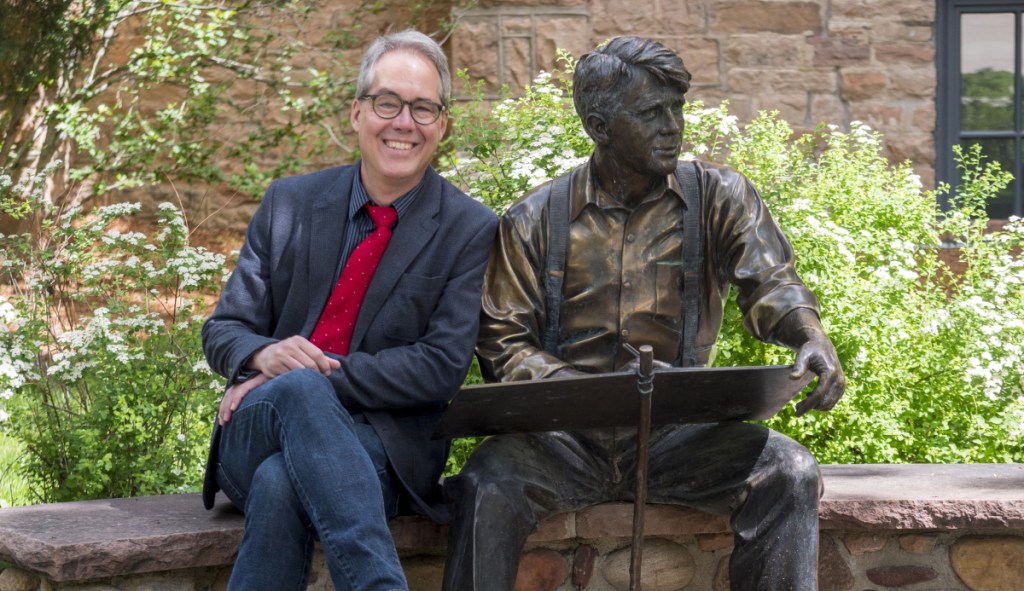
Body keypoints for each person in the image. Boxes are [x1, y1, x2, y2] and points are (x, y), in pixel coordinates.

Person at [442, 36, 846, 591]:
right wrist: (587, 395)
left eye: (676, 107)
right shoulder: (532, 220)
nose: (672, 125)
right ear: (599, 125)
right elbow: (502, 343)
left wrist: (811, 334)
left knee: (789, 471)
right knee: (486, 483)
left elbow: (771, 280)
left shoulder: (720, 197)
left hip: (679, 436)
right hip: (563, 440)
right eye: (651, 112)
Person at [200, 30, 497, 591]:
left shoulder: (468, 228)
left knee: (284, 480)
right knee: (296, 400)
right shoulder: (289, 203)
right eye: (387, 102)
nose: (403, 122)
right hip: (259, 430)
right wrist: (264, 354)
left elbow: (440, 366)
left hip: (382, 452)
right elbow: (224, 330)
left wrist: (300, 374)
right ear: (357, 112)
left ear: (443, 125)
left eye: (423, 108)